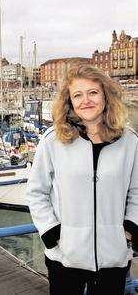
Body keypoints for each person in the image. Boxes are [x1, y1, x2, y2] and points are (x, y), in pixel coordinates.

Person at [26, 64, 138, 295]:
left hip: (112, 256)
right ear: (70, 102)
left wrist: (129, 230)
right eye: (78, 95)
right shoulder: (52, 141)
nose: (86, 100)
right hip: (65, 257)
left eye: (93, 92)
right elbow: (36, 192)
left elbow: (137, 190)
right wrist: (51, 232)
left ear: (106, 96)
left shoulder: (129, 141)